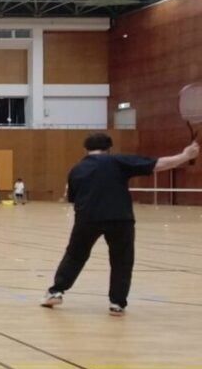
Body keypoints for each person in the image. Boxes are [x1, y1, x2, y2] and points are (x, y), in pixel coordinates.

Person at [41, 133, 198, 316]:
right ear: (109, 149)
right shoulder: (118, 161)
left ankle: (56, 291)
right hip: (120, 218)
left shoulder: (77, 169)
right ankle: (117, 303)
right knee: (122, 260)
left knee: (75, 255)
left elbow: (73, 199)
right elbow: (158, 164)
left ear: (85, 149)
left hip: (87, 218)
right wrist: (185, 156)